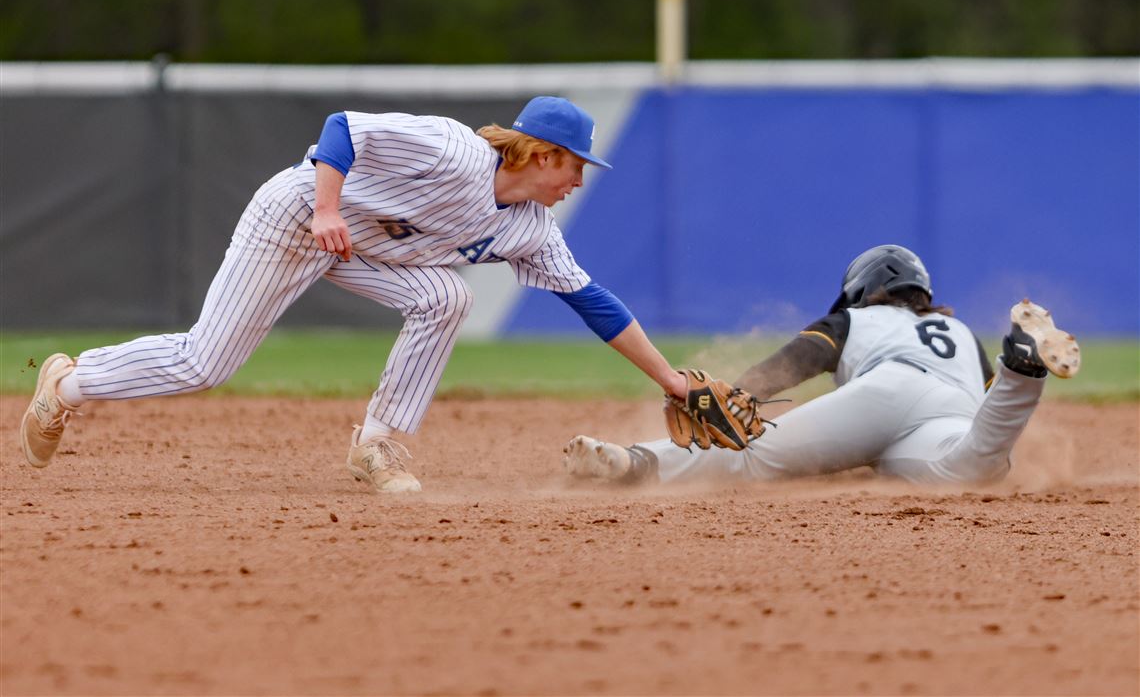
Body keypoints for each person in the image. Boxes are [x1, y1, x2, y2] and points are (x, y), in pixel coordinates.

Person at [21, 96, 688, 493]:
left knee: (445, 299)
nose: (579, 179)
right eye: (576, 164)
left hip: (360, 247)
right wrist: (326, 209)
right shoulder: (454, 152)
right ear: (542, 153)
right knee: (207, 364)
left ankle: (376, 445)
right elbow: (343, 128)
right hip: (299, 218)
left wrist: (670, 381)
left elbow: (593, 301)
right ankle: (69, 383)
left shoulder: (533, 230)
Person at [563, 244, 1081, 487]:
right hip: (955, 412)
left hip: (885, 391)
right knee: (973, 465)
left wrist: (738, 397)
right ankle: (1020, 367)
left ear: (862, 288)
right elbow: (987, 404)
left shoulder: (858, 317)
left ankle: (630, 461)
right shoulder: (960, 332)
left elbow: (800, 360)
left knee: (749, 456)